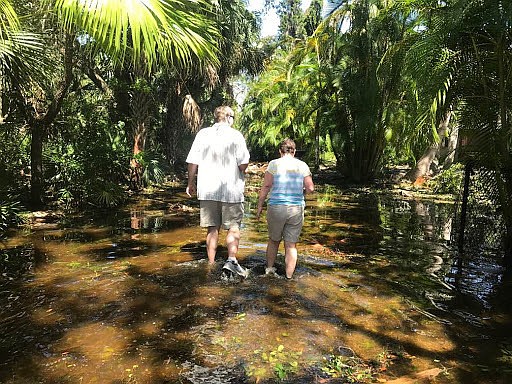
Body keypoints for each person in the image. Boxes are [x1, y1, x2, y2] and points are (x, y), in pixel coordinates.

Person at [185, 105, 250, 278]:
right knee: (233, 227)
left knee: (212, 228)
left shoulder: (203, 134)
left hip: (207, 189)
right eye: (233, 117)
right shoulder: (236, 135)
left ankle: (211, 265)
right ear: (228, 117)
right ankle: (231, 261)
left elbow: (193, 161)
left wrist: (190, 183)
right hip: (232, 190)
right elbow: (243, 164)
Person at [256, 138, 314, 279]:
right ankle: (289, 277)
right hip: (296, 208)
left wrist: (259, 207)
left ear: (280, 151)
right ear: (294, 151)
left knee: (274, 240)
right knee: (291, 245)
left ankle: (269, 270)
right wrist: (303, 192)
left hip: (276, 206)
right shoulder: (302, 165)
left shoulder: (274, 164)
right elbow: (311, 188)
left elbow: (266, 186)